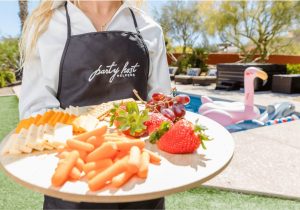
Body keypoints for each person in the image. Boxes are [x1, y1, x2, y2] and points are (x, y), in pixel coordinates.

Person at [19, 0, 171, 209]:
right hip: (73, 181)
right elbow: (35, 113)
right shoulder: (48, 26)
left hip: (139, 179)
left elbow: (161, 107)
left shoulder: (148, 28)